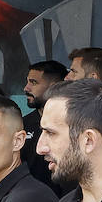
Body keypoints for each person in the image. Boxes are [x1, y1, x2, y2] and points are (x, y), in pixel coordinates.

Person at [22, 60, 68, 192]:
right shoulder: (22, 125)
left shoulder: (72, 124)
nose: (26, 88)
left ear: (53, 86)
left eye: (33, 82)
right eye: (28, 82)